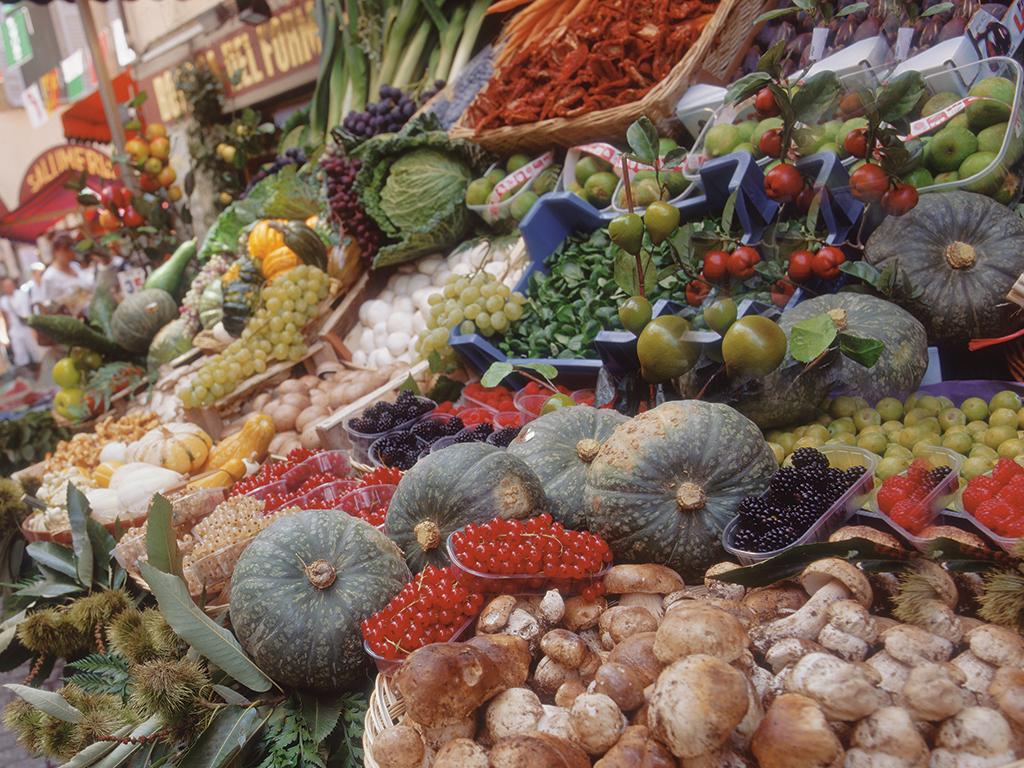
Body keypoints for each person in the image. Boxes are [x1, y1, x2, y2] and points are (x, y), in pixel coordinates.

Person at [41, 233, 93, 314]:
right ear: (56, 251)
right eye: (65, 250)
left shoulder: (75, 266)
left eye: (71, 249)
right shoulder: (50, 277)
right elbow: (54, 308)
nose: (69, 253)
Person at [0, 276, 40, 371]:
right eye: (5, 286)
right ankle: (28, 374)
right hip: (15, 330)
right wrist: (7, 334)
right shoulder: (3, 301)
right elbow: (6, 318)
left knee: (35, 350)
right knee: (20, 353)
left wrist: (36, 326)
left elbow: (32, 308)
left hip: (28, 326)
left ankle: (39, 370)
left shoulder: (23, 294)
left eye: (9, 285)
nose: (8, 288)